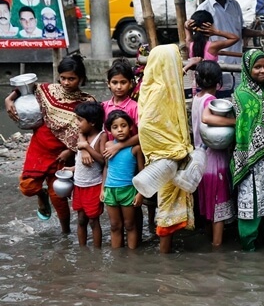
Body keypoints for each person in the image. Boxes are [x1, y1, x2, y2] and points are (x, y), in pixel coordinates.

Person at [5, 54, 95, 233]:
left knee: (59, 197)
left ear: (81, 79)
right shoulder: (47, 90)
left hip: (63, 153)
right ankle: (41, 195)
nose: (66, 82)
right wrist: (9, 99)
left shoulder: (87, 102)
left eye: (72, 78)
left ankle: (65, 232)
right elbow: (25, 89)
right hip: (40, 147)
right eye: (63, 78)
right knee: (28, 186)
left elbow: (90, 131)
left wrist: (71, 151)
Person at [138, 44, 195, 253]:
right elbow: (147, 128)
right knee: (166, 209)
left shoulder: (151, 84)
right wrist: (176, 150)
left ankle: (165, 255)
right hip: (167, 157)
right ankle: (165, 261)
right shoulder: (161, 91)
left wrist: (188, 66)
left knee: (165, 206)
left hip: (163, 156)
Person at [232, 50, 264, 251]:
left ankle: (255, 244)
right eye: (257, 67)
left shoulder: (260, 91)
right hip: (252, 159)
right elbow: (251, 129)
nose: (263, 70)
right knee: (251, 202)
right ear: (247, 69)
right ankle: (248, 246)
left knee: (260, 199)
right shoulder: (244, 94)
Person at [190, 61, 236, 246]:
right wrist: (235, 121)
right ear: (219, 82)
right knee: (218, 204)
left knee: (208, 203)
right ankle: (217, 247)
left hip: (199, 158)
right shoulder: (209, 101)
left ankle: (211, 243)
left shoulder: (196, 97)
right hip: (213, 157)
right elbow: (207, 118)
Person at [196, 0, 264, 84]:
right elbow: (200, 39)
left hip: (238, 61)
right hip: (218, 63)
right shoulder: (204, 9)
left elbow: (240, 31)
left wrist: (261, 33)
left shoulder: (235, 5)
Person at [101, 110, 144, 249]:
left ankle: (132, 258)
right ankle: (117, 258)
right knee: (114, 226)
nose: (120, 130)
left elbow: (142, 172)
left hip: (128, 191)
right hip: (110, 190)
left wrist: (140, 193)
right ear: (109, 130)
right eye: (115, 127)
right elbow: (106, 168)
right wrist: (102, 188)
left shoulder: (135, 148)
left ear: (131, 127)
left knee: (130, 225)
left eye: (123, 125)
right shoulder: (108, 146)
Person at [68, 101, 106, 247]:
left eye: (80, 120)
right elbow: (80, 158)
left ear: (92, 122)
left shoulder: (101, 137)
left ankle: (97, 252)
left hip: (93, 185)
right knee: (81, 219)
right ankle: (82, 250)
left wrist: (87, 148)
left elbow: (103, 160)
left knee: (93, 221)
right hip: (79, 184)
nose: (77, 123)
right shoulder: (82, 134)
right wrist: (73, 168)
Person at [183, 9, 240, 98]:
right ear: (211, 27)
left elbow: (187, 33)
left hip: (198, 85)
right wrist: (217, 32)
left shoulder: (190, 44)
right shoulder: (213, 46)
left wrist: (186, 26)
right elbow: (235, 38)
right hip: (213, 87)